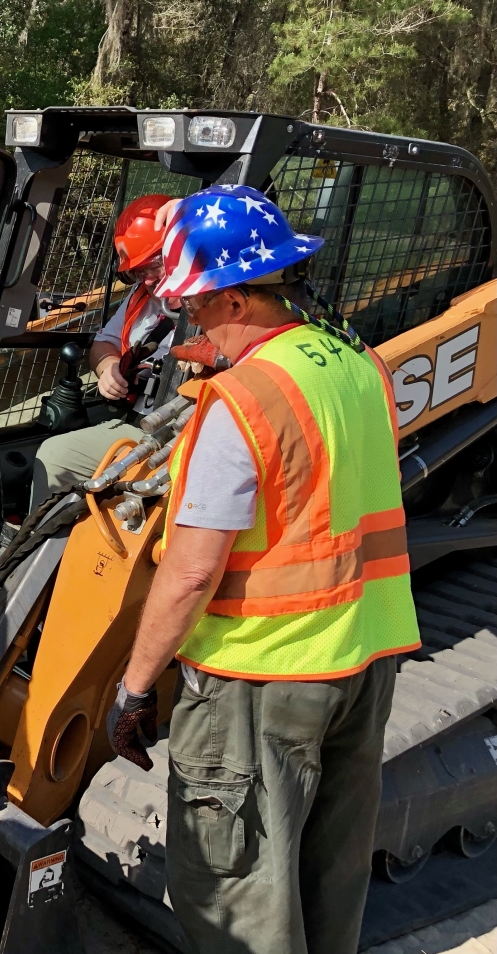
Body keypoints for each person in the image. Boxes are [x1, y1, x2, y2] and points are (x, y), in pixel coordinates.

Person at [106, 184, 420, 954]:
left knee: (236, 901)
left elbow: (189, 574)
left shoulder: (242, 400)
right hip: (361, 665)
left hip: (260, 685)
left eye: (198, 307)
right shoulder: (360, 364)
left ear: (240, 299)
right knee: (325, 889)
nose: (191, 323)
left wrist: (134, 687)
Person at [32, 194, 179, 504]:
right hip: (139, 422)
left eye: (154, 264)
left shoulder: (214, 302)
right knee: (53, 458)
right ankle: (40, 543)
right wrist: (109, 368)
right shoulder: (142, 298)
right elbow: (104, 343)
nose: (148, 280)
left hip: (183, 435)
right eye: (138, 272)